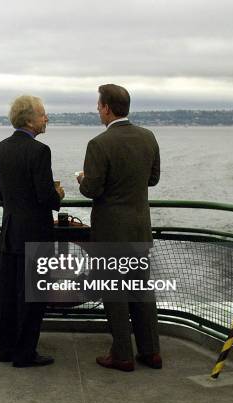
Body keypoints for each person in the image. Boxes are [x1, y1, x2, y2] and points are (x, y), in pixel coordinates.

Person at [77, 84, 162, 372]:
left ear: (106, 108)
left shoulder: (99, 144)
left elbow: (91, 190)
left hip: (111, 232)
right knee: (141, 291)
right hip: (139, 229)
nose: (98, 110)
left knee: (114, 294)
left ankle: (123, 354)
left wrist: (82, 178)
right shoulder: (148, 137)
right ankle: (151, 352)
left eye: (99, 105)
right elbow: (153, 179)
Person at [0, 95, 65, 367]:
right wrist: (59, 195)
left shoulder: (0, 149)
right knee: (33, 298)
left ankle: (6, 349)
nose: (46, 118)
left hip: (10, 232)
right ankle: (25, 354)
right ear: (30, 119)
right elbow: (46, 197)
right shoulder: (39, 151)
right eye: (43, 114)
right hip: (35, 233)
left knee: (8, 296)